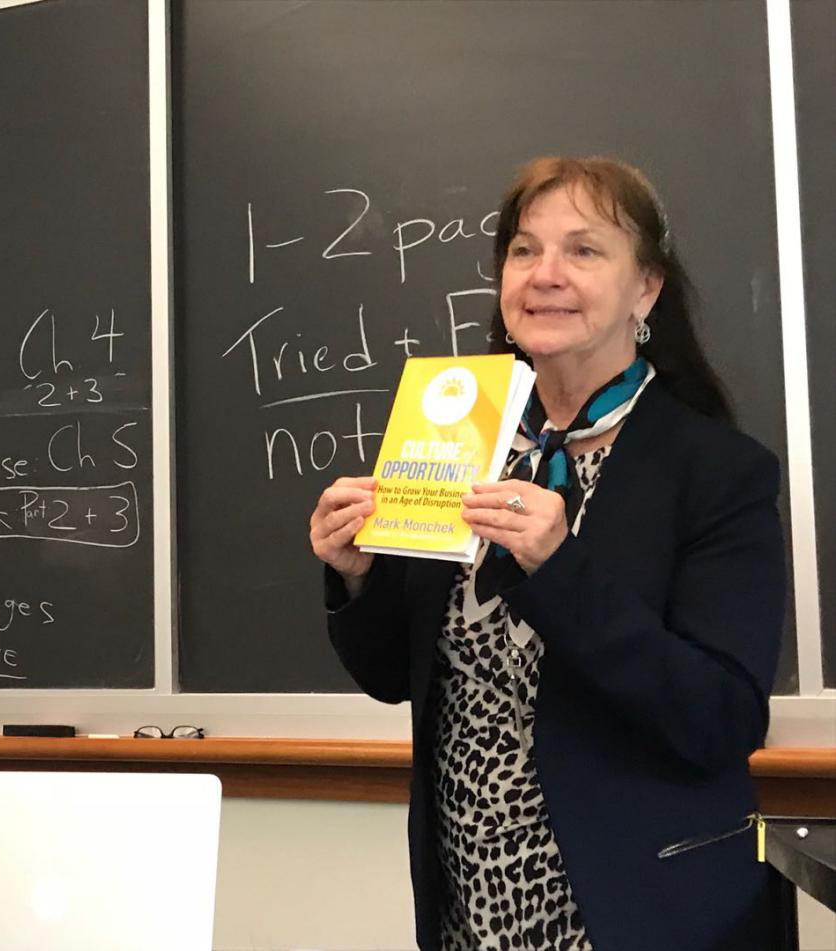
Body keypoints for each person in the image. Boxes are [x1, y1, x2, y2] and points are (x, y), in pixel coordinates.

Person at [309, 156, 785, 951]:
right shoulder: (462, 440)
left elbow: (721, 718)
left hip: (642, 914)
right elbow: (399, 675)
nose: (545, 274)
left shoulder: (717, 472)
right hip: (472, 907)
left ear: (646, 289)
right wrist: (356, 579)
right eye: (524, 250)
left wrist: (560, 570)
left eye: (584, 249)